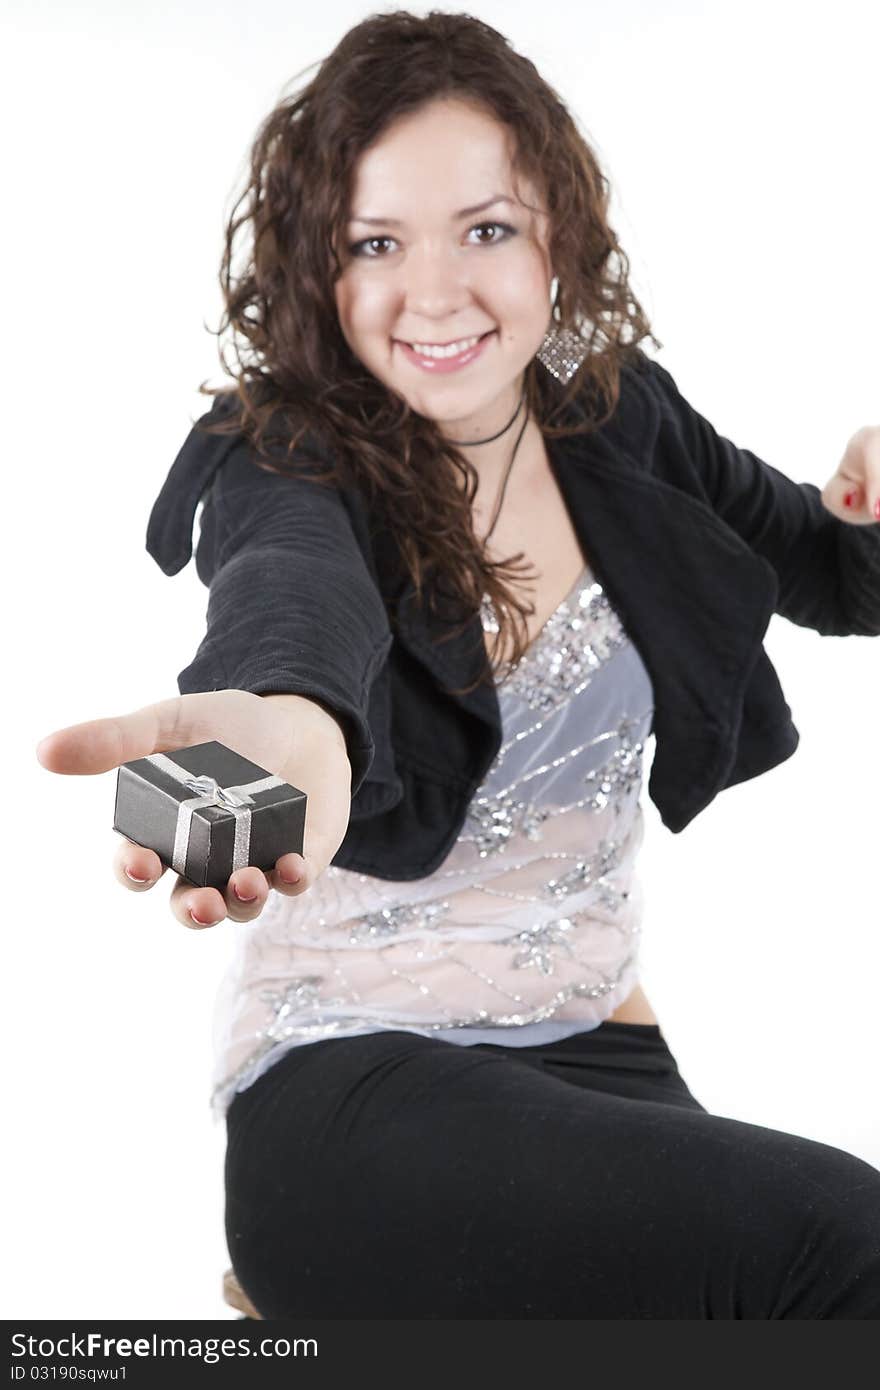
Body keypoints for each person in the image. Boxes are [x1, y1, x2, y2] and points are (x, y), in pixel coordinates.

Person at [36, 11, 880, 1319]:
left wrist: (869, 510)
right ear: (322, 266)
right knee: (851, 1243)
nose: (434, 292)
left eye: (485, 228)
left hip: (605, 1063)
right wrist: (294, 726)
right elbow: (291, 599)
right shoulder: (285, 457)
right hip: (355, 1089)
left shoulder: (614, 412)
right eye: (378, 243)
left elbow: (822, 571)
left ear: (561, 236)